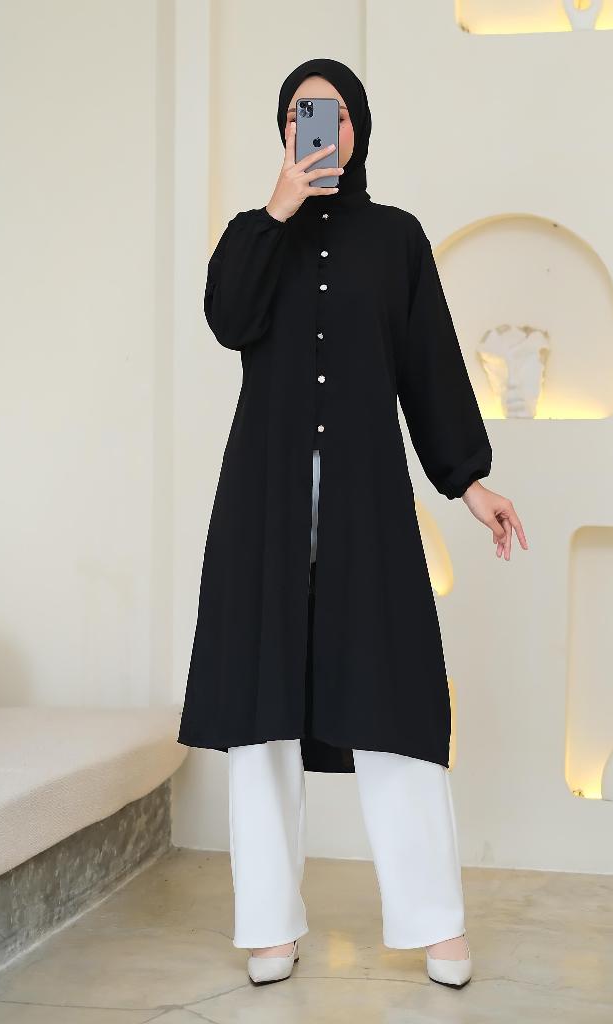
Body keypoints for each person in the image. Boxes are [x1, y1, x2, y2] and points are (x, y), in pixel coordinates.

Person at [177, 58, 528, 988]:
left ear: (358, 128)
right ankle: (268, 926)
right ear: (284, 130)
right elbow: (226, 318)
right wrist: (278, 209)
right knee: (261, 718)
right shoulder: (253, 237)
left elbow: (429, 367)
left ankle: (435, 922)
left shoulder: (396, 239)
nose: (319, 126)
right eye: (302, 113)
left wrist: (469, 482)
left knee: (393, 700)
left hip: (366, 509)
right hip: (263, 511)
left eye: (332, 113)